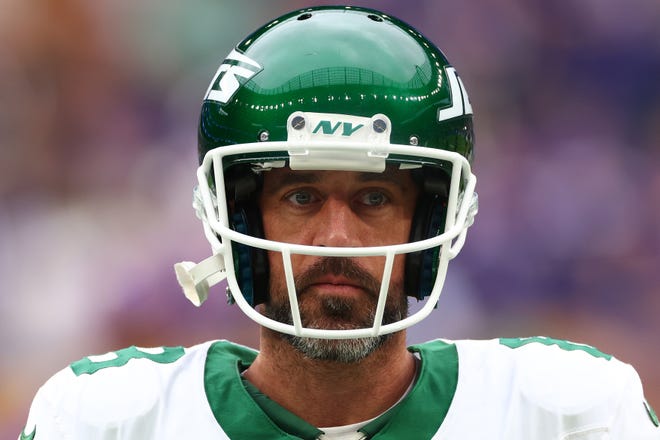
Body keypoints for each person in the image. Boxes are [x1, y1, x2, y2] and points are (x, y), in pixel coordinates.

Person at [19, 6, 659, 439]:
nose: (337, 238)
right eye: (300, 197)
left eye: (374, 199)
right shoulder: (106, 421)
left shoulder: (568, 415)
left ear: (432, 217)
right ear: (235, 212)